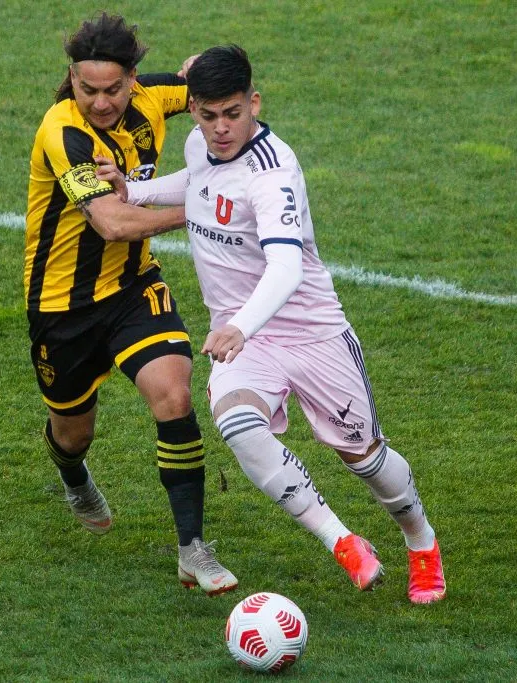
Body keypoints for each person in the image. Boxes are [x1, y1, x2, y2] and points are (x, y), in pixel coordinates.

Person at [96, 45, 446, 604]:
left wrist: (240, 326)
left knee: (365, 459)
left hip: (311, 333)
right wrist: (132, 190)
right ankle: (342, 542)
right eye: (208, 115)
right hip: (248, 340)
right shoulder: (201, 144)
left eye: (233, 114)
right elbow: (198, 182)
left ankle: (421, 542)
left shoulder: (273, 175)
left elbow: (285, 267)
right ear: (194, 109)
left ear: (254, 104)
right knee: (239, 426)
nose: (220, 128)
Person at [23, 13, 237, 596]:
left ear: (133, 80)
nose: (100, 102)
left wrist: (205, 67)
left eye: (113, 89)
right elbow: (113, 223)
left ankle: (192, 549)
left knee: (174, 394)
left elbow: (216, 90)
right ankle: (73, 477)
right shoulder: (63, 133)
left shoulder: (154, 97)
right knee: (74, 435)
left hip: (134, 287)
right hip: (62, 308)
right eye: (87, 88)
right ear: (72, 78)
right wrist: (202, 207)